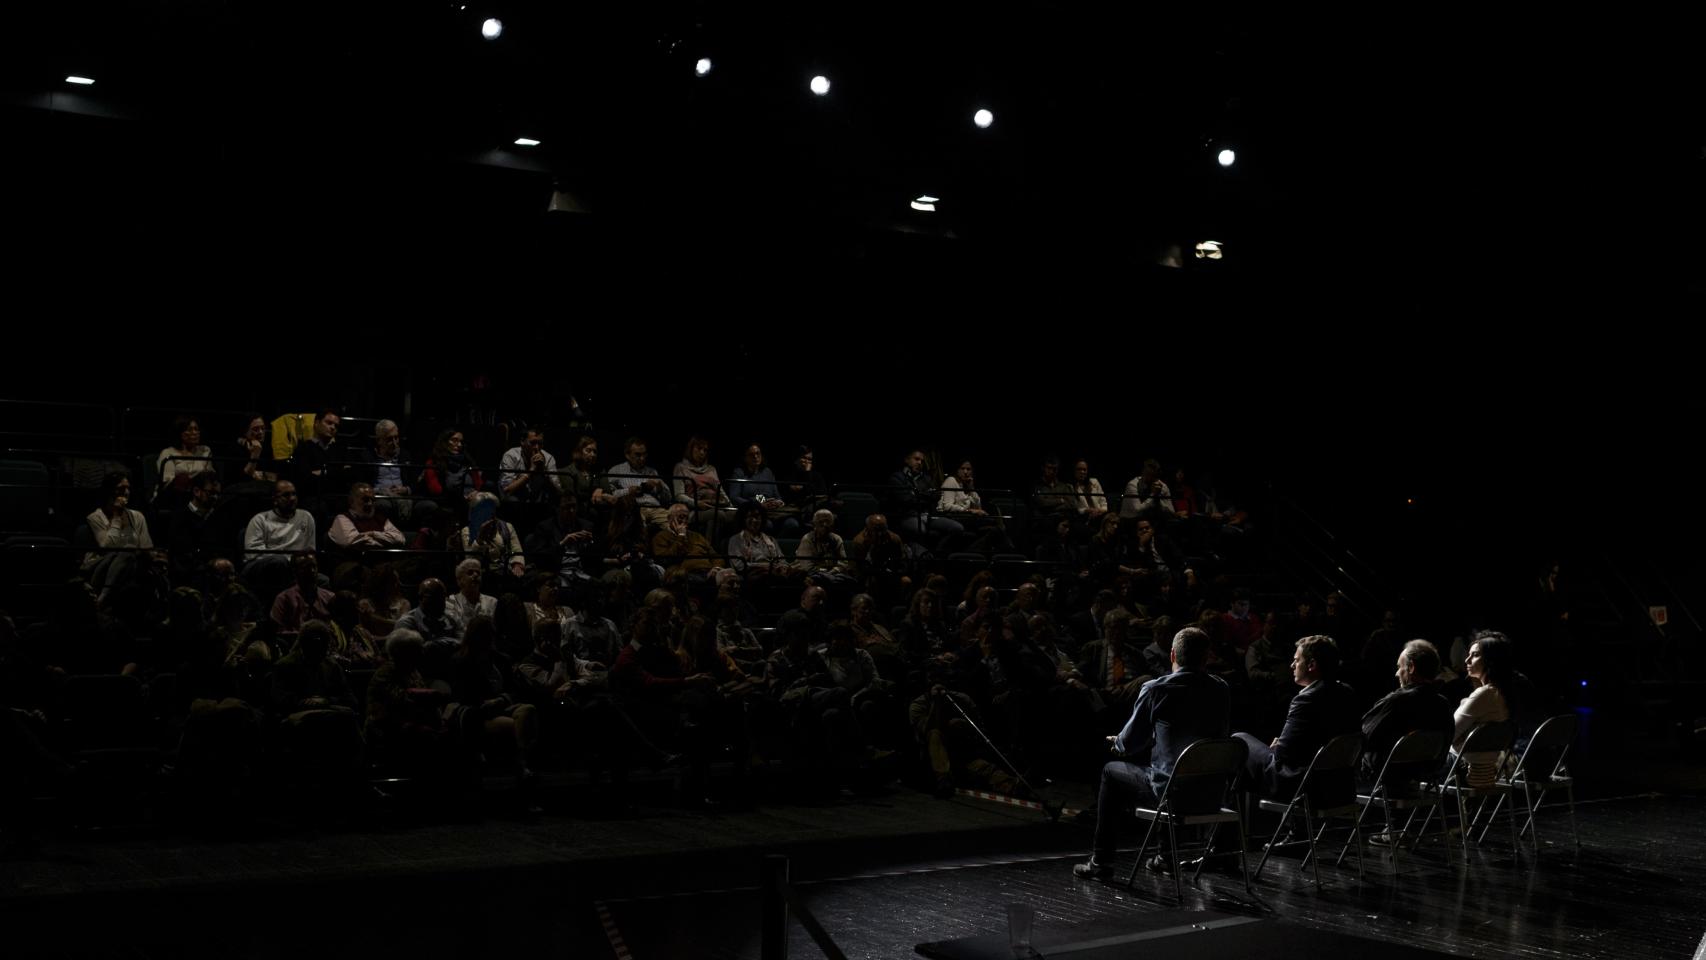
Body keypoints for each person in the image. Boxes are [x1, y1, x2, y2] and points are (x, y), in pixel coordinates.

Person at [1075, 626, 1230, 879]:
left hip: (1174, 792)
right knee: (1170, 767)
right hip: (1213, 793)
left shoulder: (1157, 689)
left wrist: (1118, 742)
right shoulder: (1221, 688)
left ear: (1172, 656)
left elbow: (1130, 744)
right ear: (1206, 657)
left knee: (1111, 772)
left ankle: (1101, 861)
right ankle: (1166, 857)